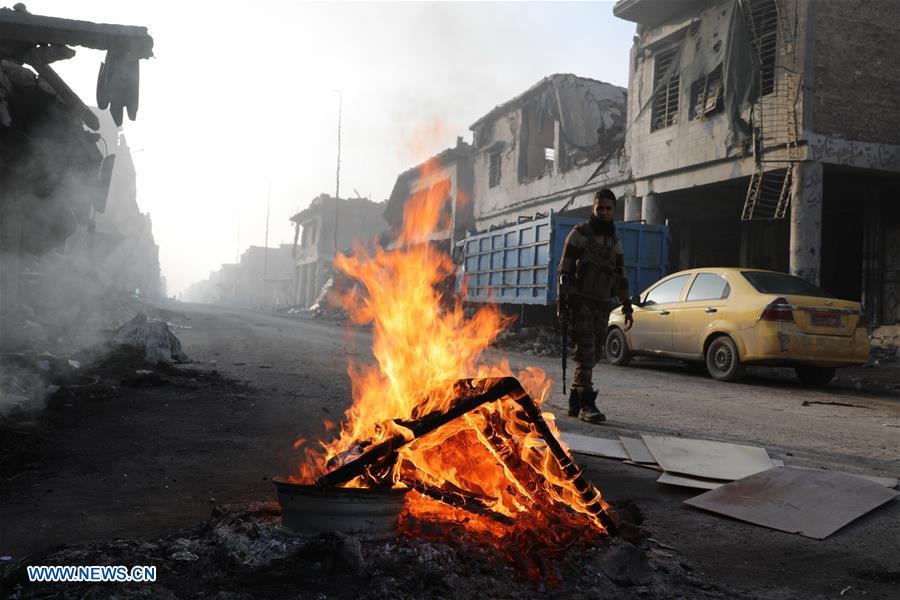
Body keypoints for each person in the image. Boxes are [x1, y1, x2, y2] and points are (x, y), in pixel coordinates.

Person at [557, 188, 633, 423]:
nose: (604, 212)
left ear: (614, 211)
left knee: (596, 353)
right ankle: (586, 404)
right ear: (593, 208)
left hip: (602, 304)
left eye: (608, 208)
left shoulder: (614, 241)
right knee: (586, 352)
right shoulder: (578, 234)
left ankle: (575, 399)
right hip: (581, 303)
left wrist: (627, 305)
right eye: (600, 208)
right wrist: (563, 302)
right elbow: (564, 271)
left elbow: (620, 274)